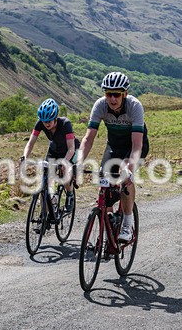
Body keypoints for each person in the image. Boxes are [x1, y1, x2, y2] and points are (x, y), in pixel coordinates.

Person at [78, 72, 148, 242]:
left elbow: (137, 145)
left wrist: (129, 169)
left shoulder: (134, 106)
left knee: (125, 176)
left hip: (134, 146)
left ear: (125, 94)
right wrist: (77, 163)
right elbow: (88, 139)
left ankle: (127, 224)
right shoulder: (100, 105)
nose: (113, 99)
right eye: (109, 94)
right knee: (104, 180)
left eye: (116, 94)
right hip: (114, 146)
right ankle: (108, 224)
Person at [20, 98, 78, 210]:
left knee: (64, 170)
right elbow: (31, 142)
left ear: (55, 117)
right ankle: (43, 216)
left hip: (69, 151)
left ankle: (70, 195)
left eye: (49, 121)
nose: (46, 124)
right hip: (54, 150)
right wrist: (25, 156)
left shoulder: (66, 124)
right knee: (45, 182)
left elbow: (71, 148)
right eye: (44, 121)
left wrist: (64, 162)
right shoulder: (40, 123)